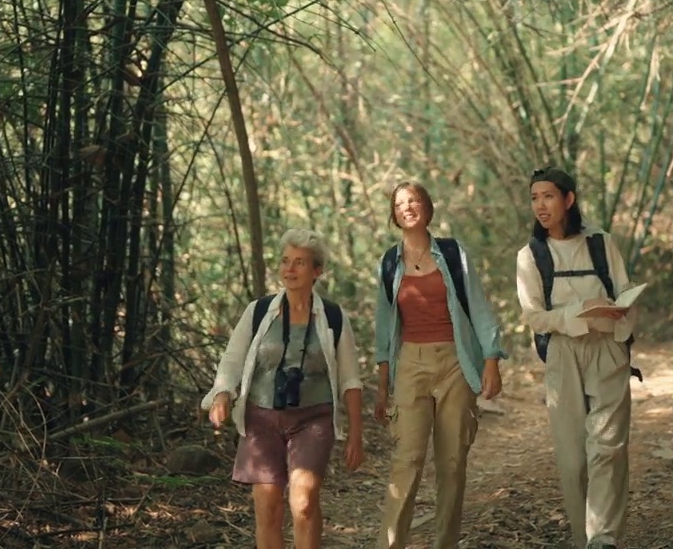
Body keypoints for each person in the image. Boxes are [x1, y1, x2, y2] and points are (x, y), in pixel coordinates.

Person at [201, 228, 364, 549]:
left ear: (317, 271)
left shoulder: (332, 316)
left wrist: (356, 433)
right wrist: (222, 394)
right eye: (285, 261)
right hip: (261, 417)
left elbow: (350, 379)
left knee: (303, 501)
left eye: (299, 263)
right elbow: (232, 360)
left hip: (314, 417)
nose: (289, 269)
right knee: (268, 506)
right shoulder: (259, 311)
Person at [374, 181, 506, 549]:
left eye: (414, 200)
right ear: (394, 215)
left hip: (455, 363)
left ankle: (445, 543)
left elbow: (478, 307)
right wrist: (382, 386)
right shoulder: (389, 263)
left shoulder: (453, 253)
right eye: (400, 203)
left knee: (451, 465)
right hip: (410, 365)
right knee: (407, 461)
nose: (407, 207)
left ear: (427, 207)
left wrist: (491, 359)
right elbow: (384, 330)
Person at [516, 167, 639, 549]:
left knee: (608, 447)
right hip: (562, 354)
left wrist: (618, 319)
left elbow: (626, 292)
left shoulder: (602, 243)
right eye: (535, 197)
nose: (540, 205)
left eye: (548, 196)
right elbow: (533, 315)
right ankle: (581, 536)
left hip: (607, 349)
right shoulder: (530, 255)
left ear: (569, 199)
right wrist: (579, 312)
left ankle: (603, 538)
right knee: (573, 460)